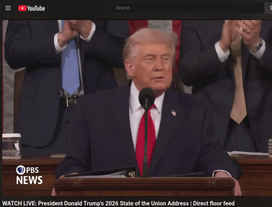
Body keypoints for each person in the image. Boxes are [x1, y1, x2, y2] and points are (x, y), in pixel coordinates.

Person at [54, 28, 241, 195]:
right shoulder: (93, 109)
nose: (160, 66)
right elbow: (74, 163)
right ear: (130, 67)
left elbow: (212, 154)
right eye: (150, 59)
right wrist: (68, 181)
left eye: (166, 58)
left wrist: (223, 175)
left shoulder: (194, 109)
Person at [4, 20, 129, 158]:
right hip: (41, 122)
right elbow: (13, 52)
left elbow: (123, 53)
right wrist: (59, 40)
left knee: (101, 177)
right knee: (39, 178)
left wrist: (89, 30)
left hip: (99, 117)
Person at [178, 20, 272, 153]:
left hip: (268, 123)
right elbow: (186, 73)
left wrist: (256, 45)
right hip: (213, 124)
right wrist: (221, 47)